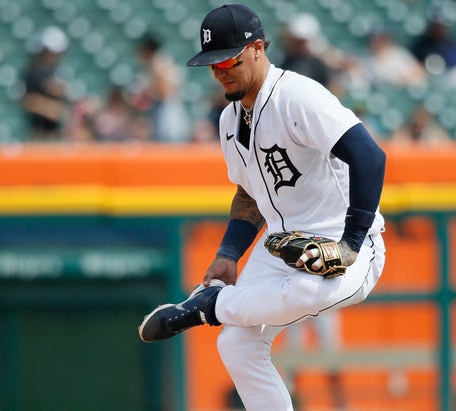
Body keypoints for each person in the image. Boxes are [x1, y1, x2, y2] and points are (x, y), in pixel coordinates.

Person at [138, 5, 387, 410]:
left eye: (227, 60)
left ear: (256, 49)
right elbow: (249, 193)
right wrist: (229, 253)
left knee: (307, 291)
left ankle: (206, 307)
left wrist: (352, 242)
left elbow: (370, 157)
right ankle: (212, 309)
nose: (219, 71)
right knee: (236, 343)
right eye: (211, 65)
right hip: (281, 244)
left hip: (344, 244)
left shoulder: (298, 97)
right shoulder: (228, 120)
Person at [20, 26, 69, 141]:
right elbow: (26, 99)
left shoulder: (57, 71)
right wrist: (52, 109)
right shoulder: (33, 72)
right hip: (39, 132)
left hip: (55, 132)